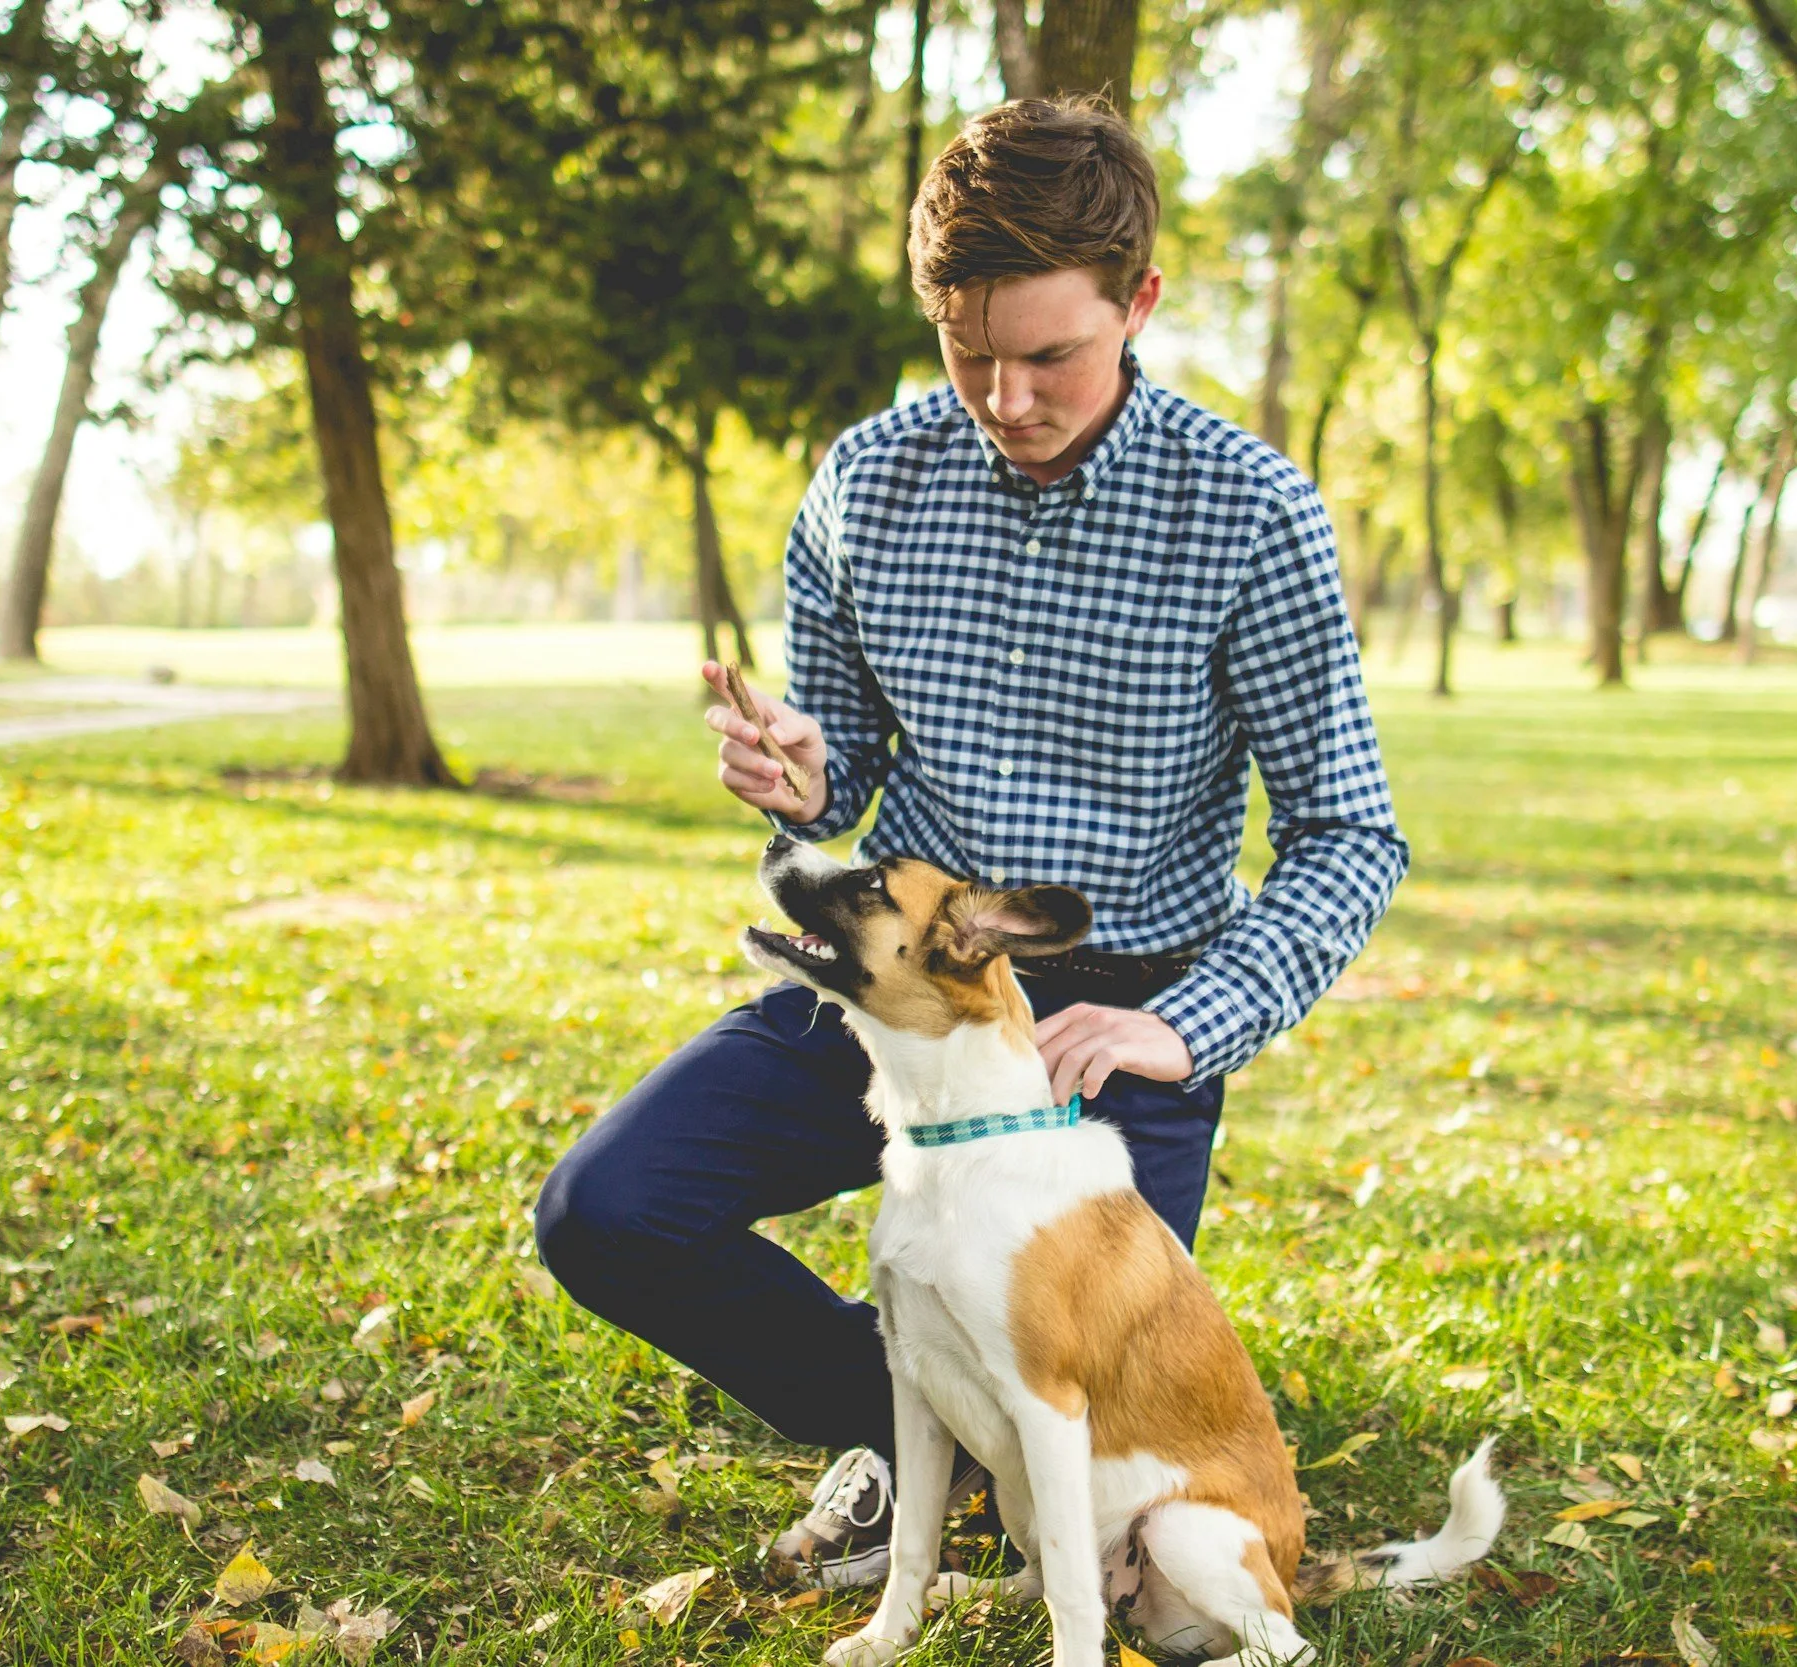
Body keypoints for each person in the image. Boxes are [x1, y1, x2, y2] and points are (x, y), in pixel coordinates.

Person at [533, 95, 1405, 1589]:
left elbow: (1346, 834)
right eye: (968, 351)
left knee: (1064, 1519)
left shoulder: (1252, 512)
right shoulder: (867, 486)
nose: (1004, 395)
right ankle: (894, 1413)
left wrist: (1179, 1024)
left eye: (1048, 355)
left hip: (1110, 1023)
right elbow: (848, 774)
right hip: (900, 986)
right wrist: (801, 780)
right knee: (606, 1209)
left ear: (1138, 303)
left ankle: (971, 1435)